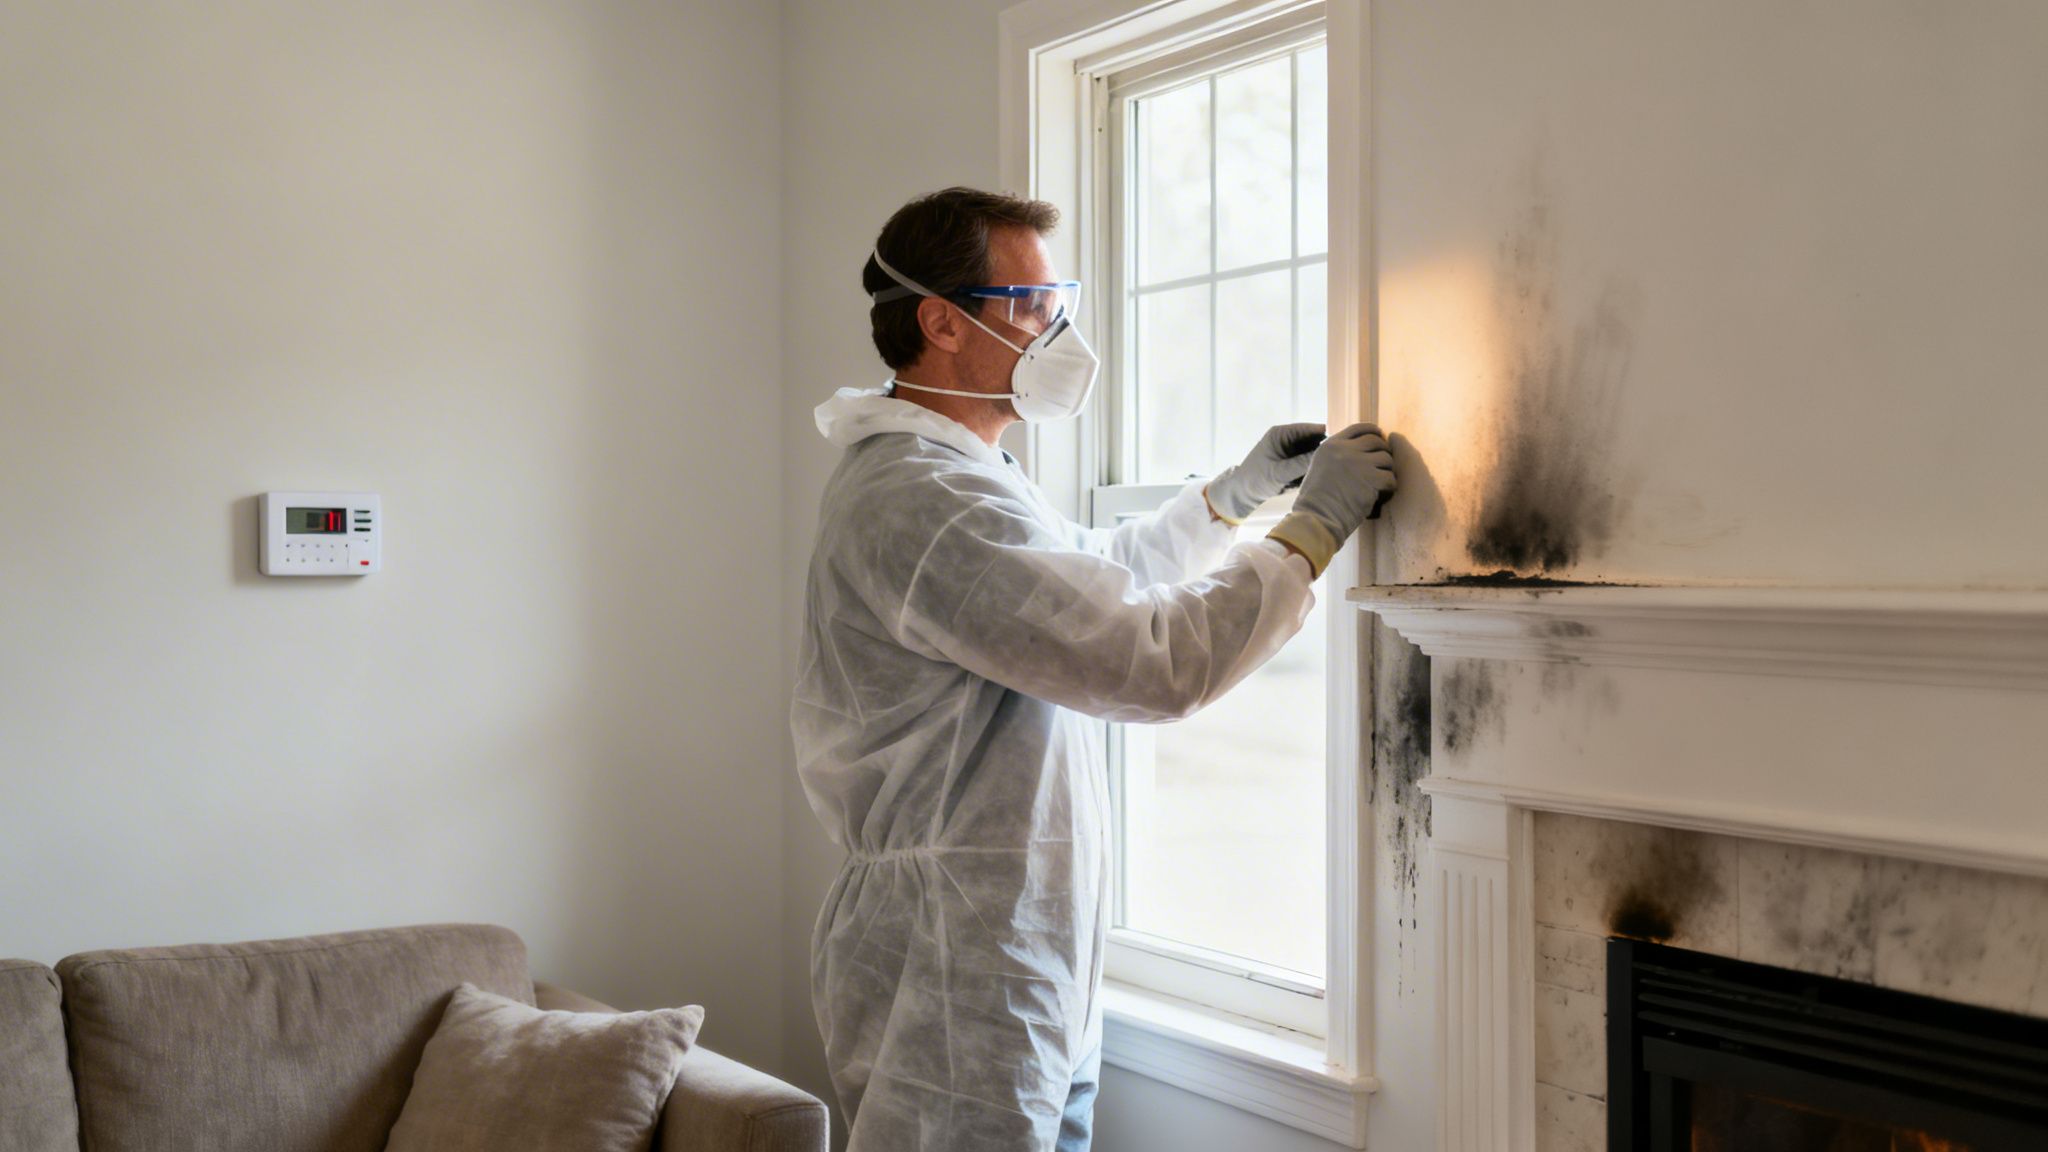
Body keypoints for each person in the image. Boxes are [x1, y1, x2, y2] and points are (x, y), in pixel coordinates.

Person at [792, 187, 1396, 1152]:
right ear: (942, 322)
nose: (1058, 328)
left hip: (1013, 941)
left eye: (1057, 298)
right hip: (958, 959)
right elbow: (1148, 661)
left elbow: (1092, 581)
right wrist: (1311, 533)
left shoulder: (968, 477)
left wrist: (1229, 499)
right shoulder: (924, 499)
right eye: (1030, 303)